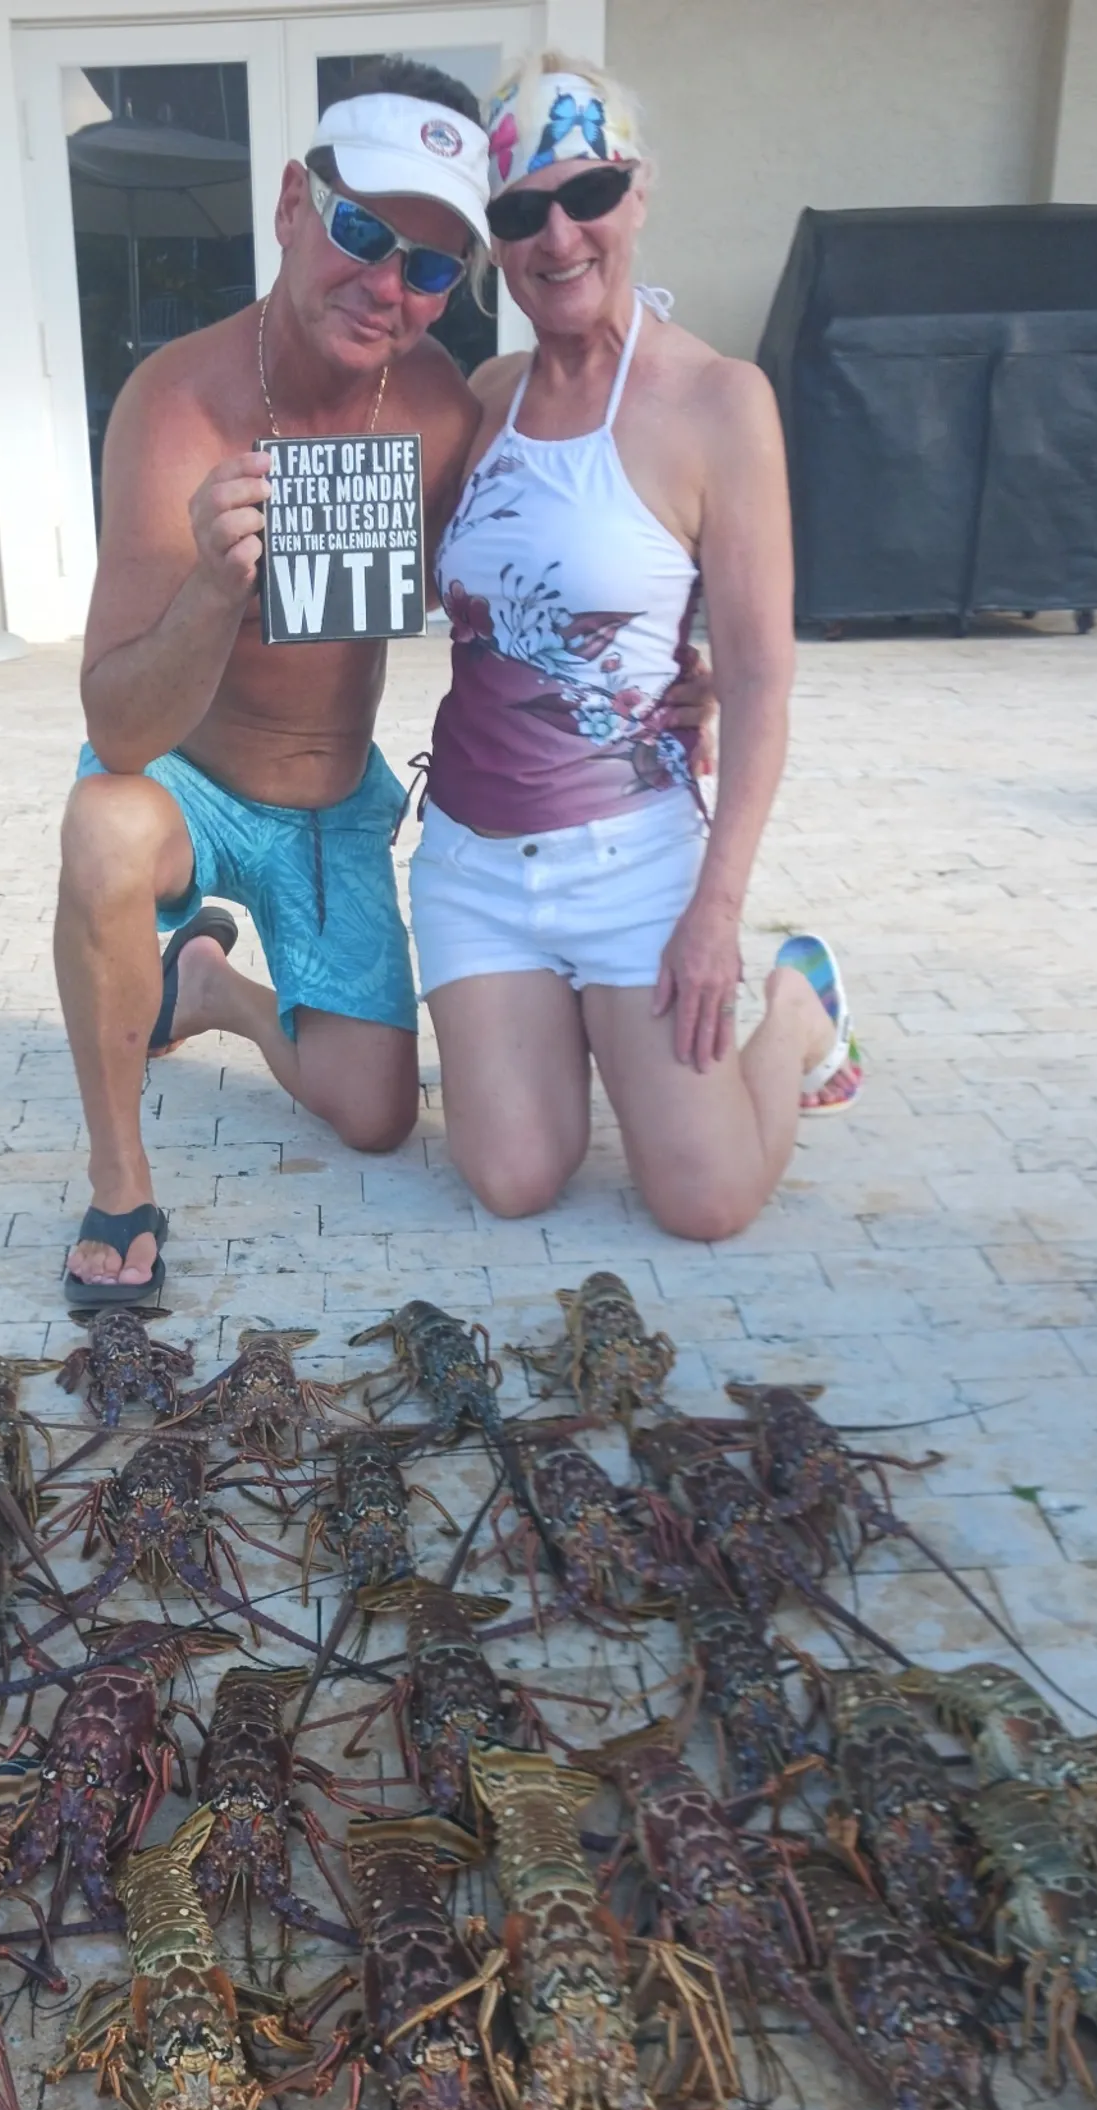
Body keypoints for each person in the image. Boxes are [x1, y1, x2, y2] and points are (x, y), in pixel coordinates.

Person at [53, 62, 490, 1306]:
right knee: (102, 828)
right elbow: (118, 728)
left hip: (329, 809)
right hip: (185, 785)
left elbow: (515, 574)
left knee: (375, 1116)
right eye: (363, 232)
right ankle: (120, 1174)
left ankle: (211, 987)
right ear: (294, 205)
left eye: (431, 267)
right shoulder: (175, 404)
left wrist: (666, 667)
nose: (388, 285)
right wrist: (209, 587)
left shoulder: (443, 414)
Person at [413, 53, 861, 1246]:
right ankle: (572, 1032)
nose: (556, 235)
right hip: (471, 863)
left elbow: (761, 680)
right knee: (513, 1176)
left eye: (587, 194)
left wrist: (716, 913)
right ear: (495, 242)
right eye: (518, 212)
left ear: (638, 193)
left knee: (702, 1202)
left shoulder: (719, 401)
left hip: (634, 868)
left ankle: (802, 1010)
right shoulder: (488, 392)